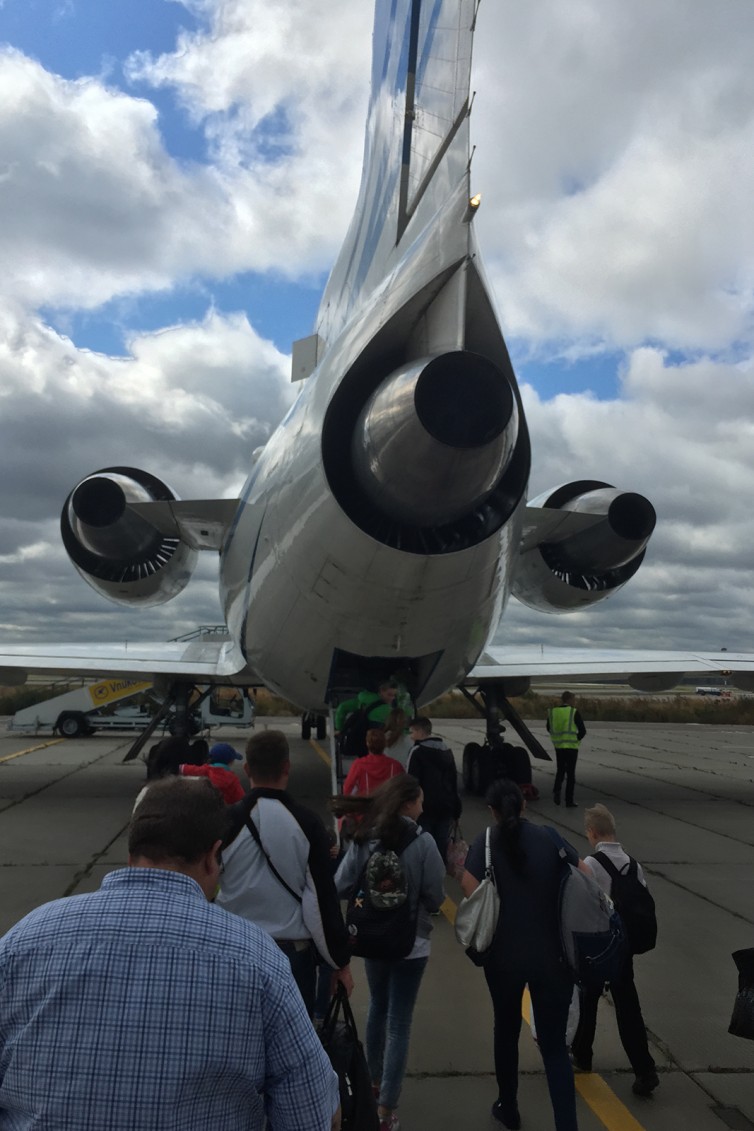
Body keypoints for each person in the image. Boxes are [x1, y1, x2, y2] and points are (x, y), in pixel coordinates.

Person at [0, 777, 340, 1130]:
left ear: (131, 853)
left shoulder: (25, 938)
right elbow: (311, 1112)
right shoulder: (257, 958)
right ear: (212, 856)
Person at [461, 779, 585, 1131]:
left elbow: (470, 887)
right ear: (524, 806)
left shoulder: (485, 842)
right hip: (554, 959)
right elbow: (585, 874)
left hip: (504, 959)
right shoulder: (550, 838)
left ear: (492, 810)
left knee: (506, 1028)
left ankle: (508, 1107)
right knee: (555, 1047)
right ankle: (567, 1125)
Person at [333, 775, 445, 1131]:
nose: (423, 807)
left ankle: (372, 1084)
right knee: (400, 1023)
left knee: (377, 1009)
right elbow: (435, 896)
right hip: (412, 944)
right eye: (420, 801)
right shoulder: (424, 842)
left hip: (374, 940)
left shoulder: (366, 838)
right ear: (407, 804)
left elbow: (341, 884)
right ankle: (386, 1112)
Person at [217, 729, 353, 1017]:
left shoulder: (225, 821)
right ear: (287, 768)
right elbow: (321, 899)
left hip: (235, 950)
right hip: (291, 956)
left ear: (246, 769)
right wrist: (339, 962)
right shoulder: (307, 823)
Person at [570, 803, 659, 1096]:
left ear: (593, 833)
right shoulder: (634, 865)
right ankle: (644, 1069)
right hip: (626, 946)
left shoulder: (592, 864)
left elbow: (583, 902)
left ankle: (583, 1054)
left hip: (601, 945)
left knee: (589, 997)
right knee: (628, 1007)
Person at [406, 715, 462, 863]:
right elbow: (453, 782)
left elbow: (411, 782)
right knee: (441, 843)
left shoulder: (417, 752)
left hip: (425, 807)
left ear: (419, 732)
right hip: (446, 807)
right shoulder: (447, 751)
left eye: (411, 732)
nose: (411, 737)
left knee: (424, 842)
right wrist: (457, 811)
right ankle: (439, 872)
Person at [546, 691, 587, 808]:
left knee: (560, 770)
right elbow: (582, 731)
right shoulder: (573, 712)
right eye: (574, 699)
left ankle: (557, 790)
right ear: (569, 700)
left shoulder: (553, 712)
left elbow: (549, 728)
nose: (574, 702)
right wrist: (576, 739)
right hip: (571, 747)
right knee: (570, 774)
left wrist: (558, 738)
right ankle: (569, 800)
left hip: (558, 747)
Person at [341, 727, 405, 796]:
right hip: (388, 804)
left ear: (367, 744)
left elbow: (347, 788)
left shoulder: (359, 764)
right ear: (384, 744)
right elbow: (405, 786)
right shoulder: (395, 765)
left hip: (366, 803)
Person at [179, 740, 246, 803]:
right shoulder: (233, 779)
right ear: (230, 762)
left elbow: (184, 768)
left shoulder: (205, 770)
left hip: (206, 807)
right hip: (226, 810)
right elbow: (241, 799)